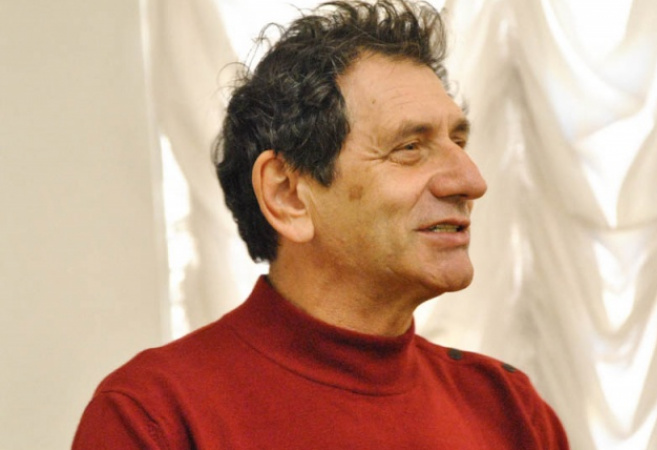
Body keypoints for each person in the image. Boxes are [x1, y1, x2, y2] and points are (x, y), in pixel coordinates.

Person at [73, 1, 570, 448]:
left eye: (458, 142)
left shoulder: (511, 410)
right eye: (409, 147)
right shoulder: (154, 418)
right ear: (288, 195)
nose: (471, 181)